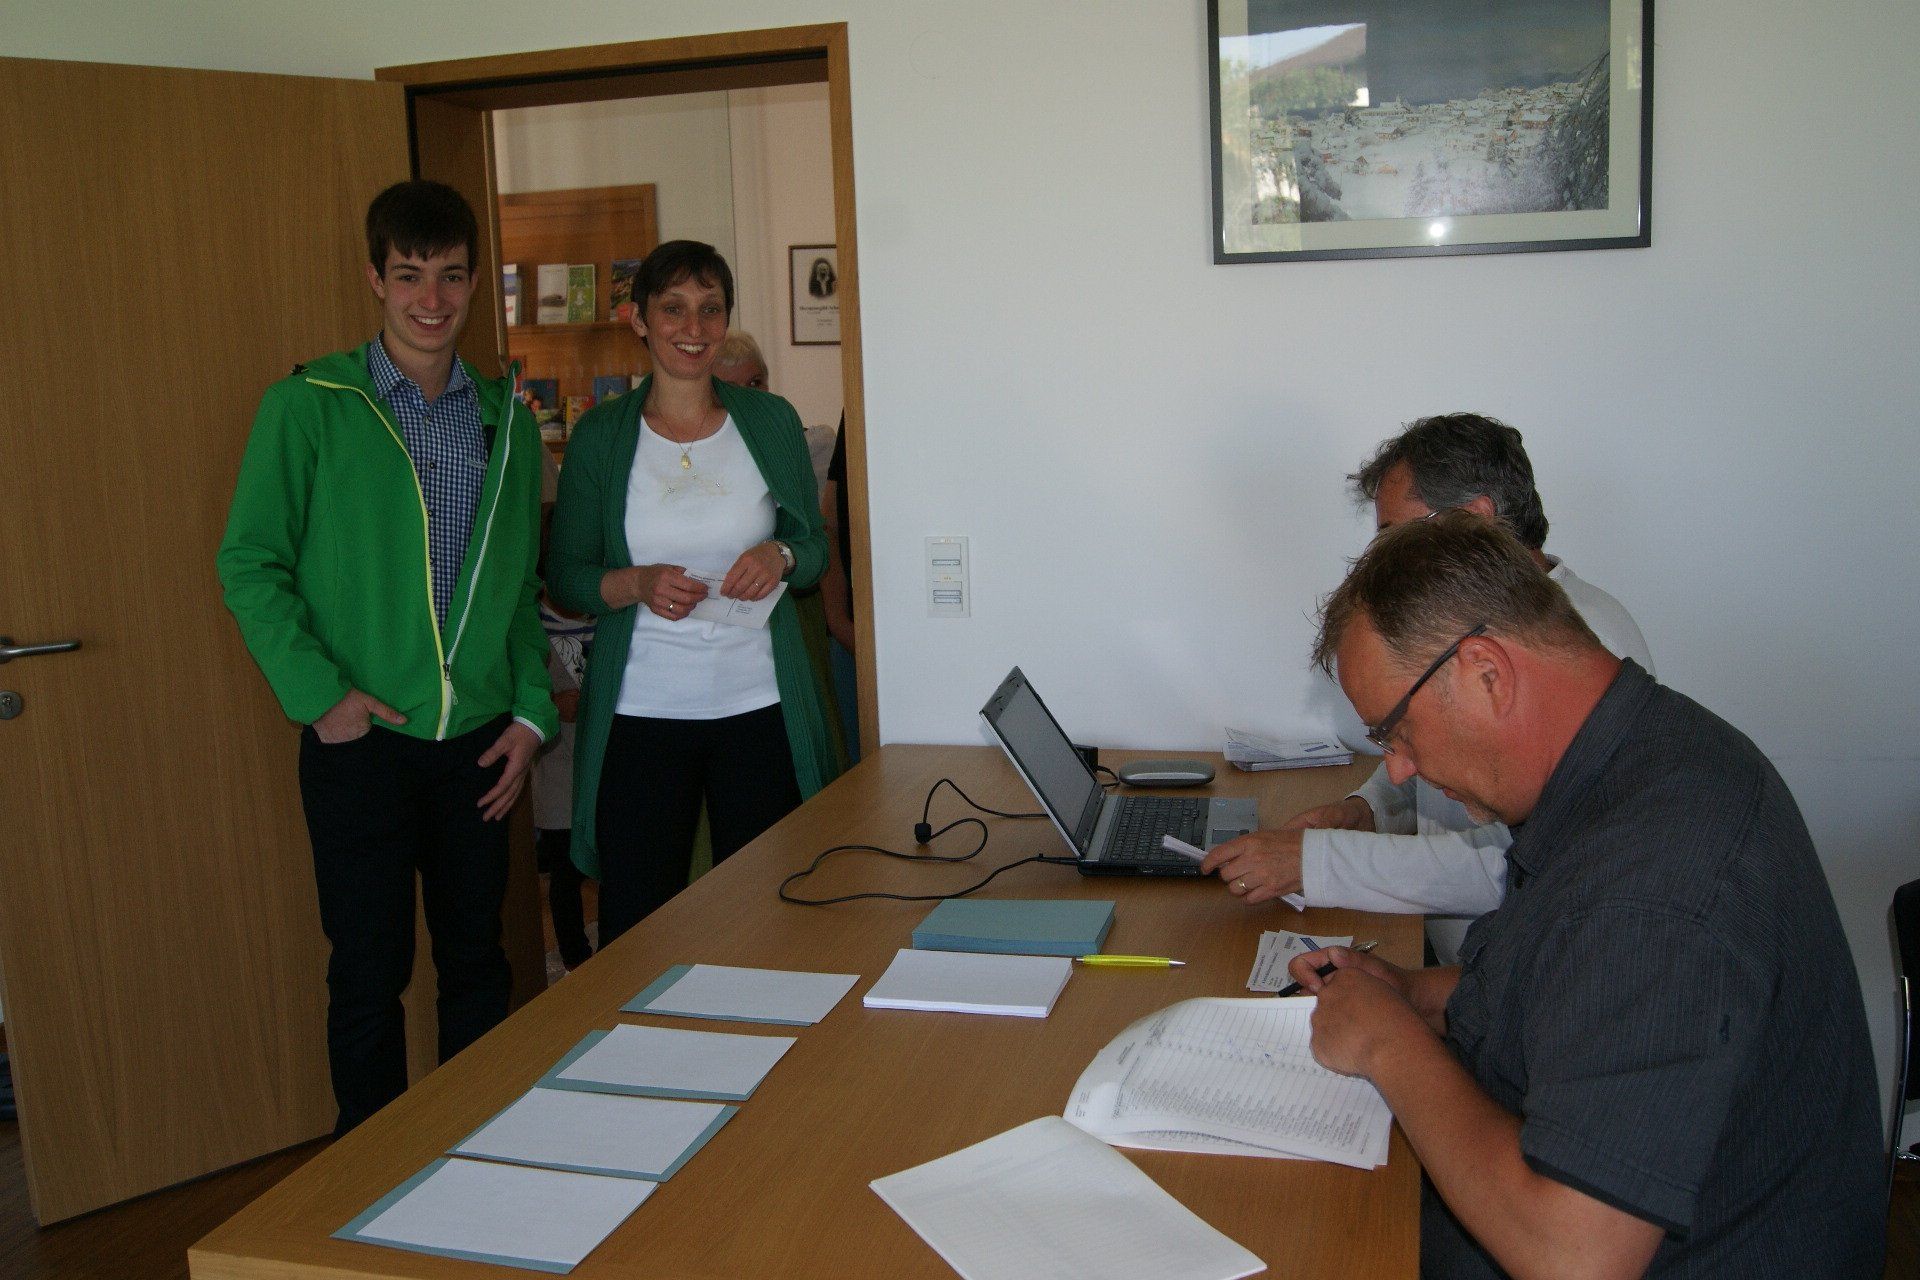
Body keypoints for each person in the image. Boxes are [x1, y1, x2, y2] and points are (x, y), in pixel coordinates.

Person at [1285, 512, 1882, 1277]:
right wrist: (1416, 995)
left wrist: (1388, 1042)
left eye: (1395, 732)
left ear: (1487, 673)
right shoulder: (1643, 750)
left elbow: (1576, 1258)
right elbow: (1578, 985)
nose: (1398, 769)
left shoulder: (1655, 887)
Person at [217, 179, 556, 1134]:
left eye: (450, 276)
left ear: (476, 281)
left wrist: (532, 713)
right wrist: (320, 697)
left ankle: (475, 1157)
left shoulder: (506, 419)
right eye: (409, 275)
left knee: (477, 964)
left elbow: (513, 586)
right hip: (361, 742)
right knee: (369, 974)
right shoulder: (309, 405)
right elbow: (248, 563)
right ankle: (366, 1177)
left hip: (478, 744)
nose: (431, 300)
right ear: (375, 278)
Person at [1204, 413, 1651, 961]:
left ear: (1477, 519)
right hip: (1446, 952)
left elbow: (1512, 863)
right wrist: (1366, 809)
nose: (1386, 560)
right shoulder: (1478, 620)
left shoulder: (1578, 643)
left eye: (1399, 536)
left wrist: (1315, 862)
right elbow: (1426, 743)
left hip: (1510, 973)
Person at [548, 241, 840, 944]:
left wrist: (779, 554)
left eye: (711, 309)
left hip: (758, 707)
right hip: (642, 711)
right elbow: (567, 576)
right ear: (639, 320)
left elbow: (814, 551)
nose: (694, 327)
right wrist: (637, 583)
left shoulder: (768, 421)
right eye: (673, 308)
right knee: (638, 924)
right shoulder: (602, 436)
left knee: (768, 916)